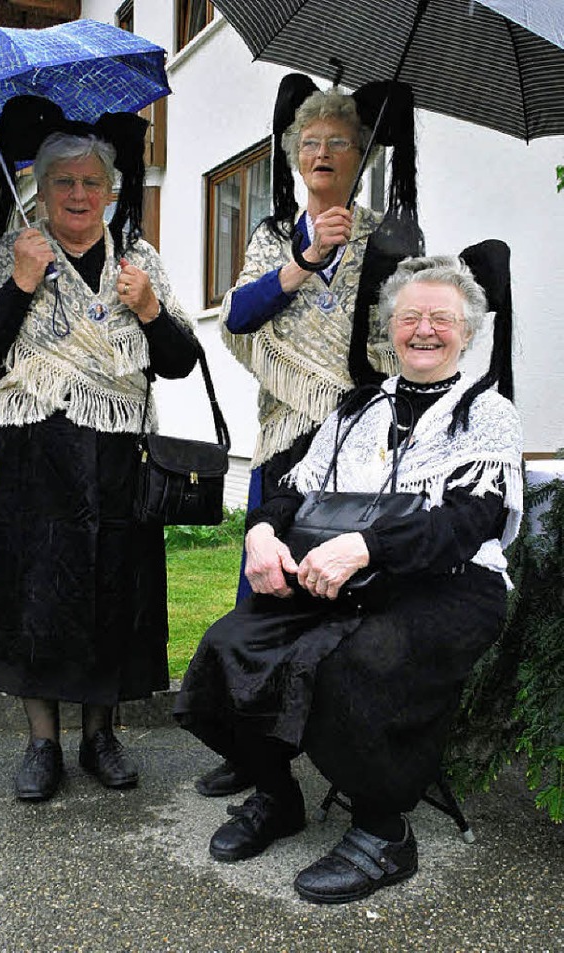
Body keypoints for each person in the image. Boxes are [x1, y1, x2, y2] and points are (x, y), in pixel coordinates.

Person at [175, 248, 523, 903]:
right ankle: (277, 795)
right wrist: (261, 531)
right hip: (344, 577)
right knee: (228, 645)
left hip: (450, 586)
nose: (423, 329)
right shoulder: (357, 405)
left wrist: (367, 545)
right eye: (409, 316)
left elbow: (467, 523)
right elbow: (288, 486)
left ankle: (384, 828)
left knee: (356, 666)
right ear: (390, 327)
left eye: (441, 319)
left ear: (468, 331)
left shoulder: (488, 411)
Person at [0, 96, 198, 802]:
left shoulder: (138, 260)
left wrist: (148, 309)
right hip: (34, 457)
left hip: (117, 460)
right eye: (64, 182)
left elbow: (178, 361)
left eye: (92, 182)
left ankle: (101, 737)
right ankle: (41, 744)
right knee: (37, 595)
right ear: (43, 190)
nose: (79, 194)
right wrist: (21, 283)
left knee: (113, 590)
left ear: (112, 191)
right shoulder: (13, 252)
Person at [198, 76, 424, 797]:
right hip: (282, 439)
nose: (322, 152)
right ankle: (255, 753)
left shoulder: (388, 239)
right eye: (311, 143)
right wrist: (303, 262)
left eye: (338, 143)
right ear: (295, 157)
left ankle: (346, 751)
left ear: (362, 158)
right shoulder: (273, 236)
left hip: (352, 448)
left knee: (340, 599)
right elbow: (237, 317)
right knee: (262, 598)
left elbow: (402, 341)